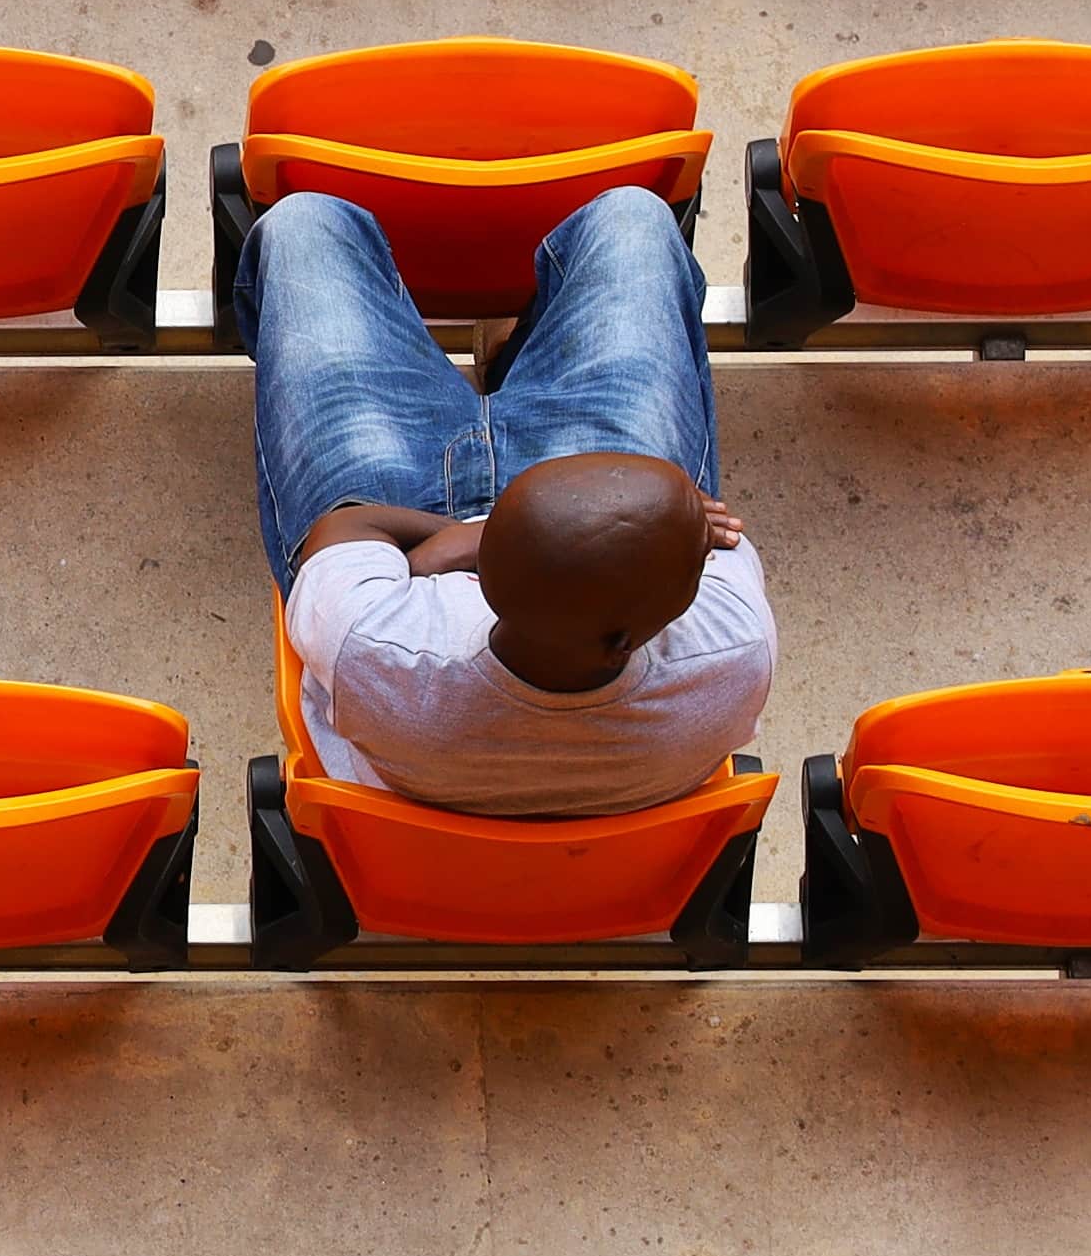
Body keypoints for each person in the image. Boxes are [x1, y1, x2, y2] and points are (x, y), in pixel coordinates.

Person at [249, 179, 773, 814]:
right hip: (476, 543)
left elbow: (338, 528)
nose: (702, 542)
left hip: (419, 529)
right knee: (632, 216)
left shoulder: (380, 650)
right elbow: (715, 538)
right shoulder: (733, 647)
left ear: (485, 580)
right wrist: (661, 510)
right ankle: (521, 361)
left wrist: (458, 540)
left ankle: (504, 378)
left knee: (306, 226)